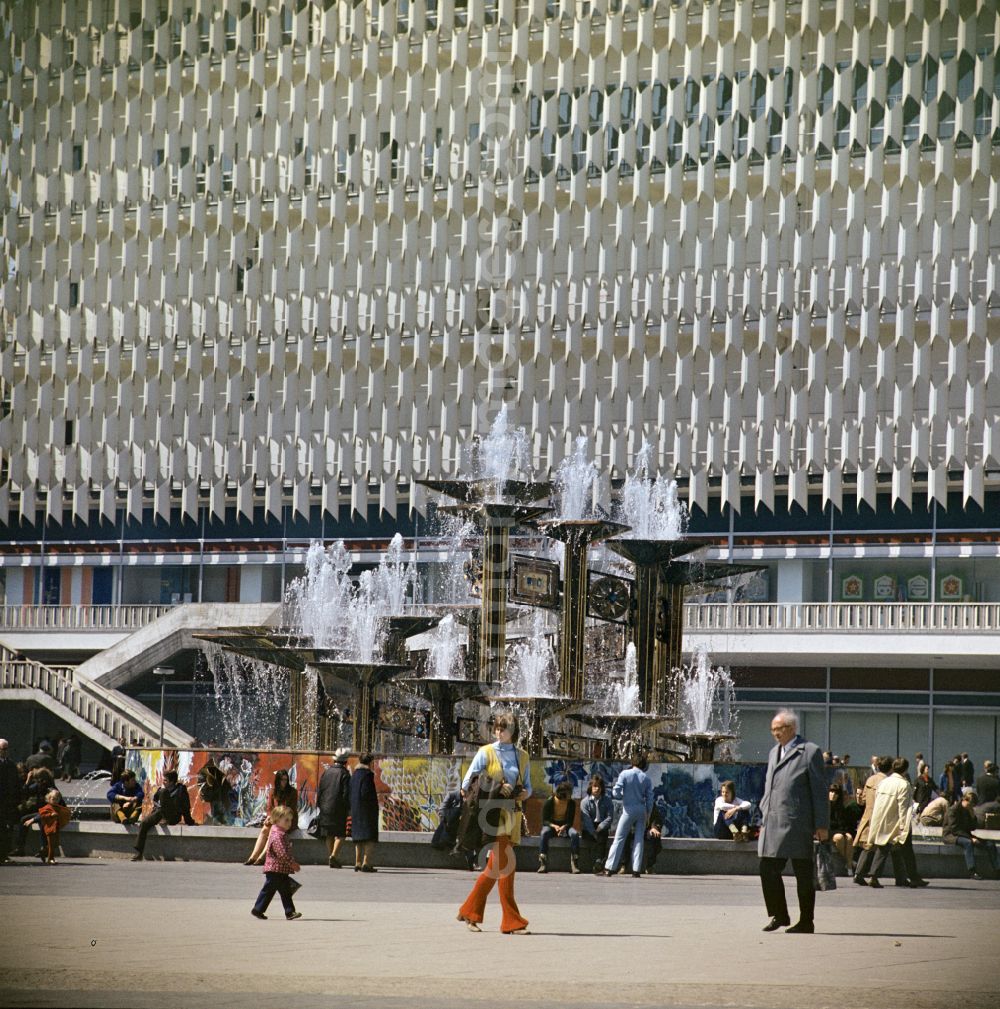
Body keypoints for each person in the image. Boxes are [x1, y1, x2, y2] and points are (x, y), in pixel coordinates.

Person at [456, 711, 532, 934]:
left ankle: (469, 911)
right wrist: (498, 786)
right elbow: (468, 782)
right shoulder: (486, 752)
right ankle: (512, 922)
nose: (499, 732)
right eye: (496, 728)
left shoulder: (522, 756)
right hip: (491, 814)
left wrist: (523, 794)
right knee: (507, 865)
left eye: (503, 728)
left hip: (511, 813)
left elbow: (528, 787)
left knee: (494, 868)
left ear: (513, 731)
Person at [758, 709, 829, 934]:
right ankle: (780, 915)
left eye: (780, 729)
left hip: (798, 824)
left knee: (803, 873)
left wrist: (822, 825)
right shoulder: (773, 752)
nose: (776, 734)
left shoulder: (809, 751)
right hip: (772, 822)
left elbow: (819, 791)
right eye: (773, 730)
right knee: (767, 868)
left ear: (792, 728)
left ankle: (806, 921)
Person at [863, 758, 928, 888]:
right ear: (905, 770)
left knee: (884, 847)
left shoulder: (884, 782)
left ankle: (879, 876)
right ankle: (912, 877)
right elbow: (903, 807)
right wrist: (904, 825)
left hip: (882, 818)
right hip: (896, 820)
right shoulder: (904, 784)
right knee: (906, 850)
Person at [603, 751, 654, 878]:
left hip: (628, 809)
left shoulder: (625, 774)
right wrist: (648, 812)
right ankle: (636, 869)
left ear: (632, 762)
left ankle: (609, 868)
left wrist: (621, 795)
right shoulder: (646, 778)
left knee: (619, 838)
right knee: (638, 840)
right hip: (641, 810)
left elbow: (616, 792)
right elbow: (650, 798)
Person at [250, 805, 302, 920]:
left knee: (284, 891)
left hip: (279, 869)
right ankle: (259, 909)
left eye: (290, 820)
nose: (289, 823)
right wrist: (292, 863)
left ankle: (288, 912)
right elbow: (282, 853)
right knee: (270, 890)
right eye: (286, 820)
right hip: (275, 869)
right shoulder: (278, 835)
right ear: (277, 820)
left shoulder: (279, 833)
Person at [131, 770, 197, 861]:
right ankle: (139, 852)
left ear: (172, 782)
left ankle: (165, 818)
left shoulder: (180, 790)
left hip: (173, 815)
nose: (163, 782)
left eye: (165, 780)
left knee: (163, 792)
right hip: (160, 813)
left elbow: (185, 807)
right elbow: (155, 803)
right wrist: (151, 817)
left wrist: (189, 821)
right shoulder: (160, 790)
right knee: (144, 823)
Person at [852, 755, 892, 880]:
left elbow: (863, 800)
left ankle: (858, 873)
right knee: (882, 846)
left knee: (867, 846)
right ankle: (873, 876)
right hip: (881, 817)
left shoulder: (870, 779)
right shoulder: (888, 782)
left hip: (868, 816)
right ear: (890, 768)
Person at [246, 769, 298, 865]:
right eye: (282, 780)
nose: (284, 782)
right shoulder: (273, 791)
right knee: (264, 829)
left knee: (272, 830)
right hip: (276, 819)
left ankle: (261, 857)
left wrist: (276, 819)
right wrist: (269, 817)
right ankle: (253, 856)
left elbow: (291, 810)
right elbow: (269, 808)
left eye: (286, 780)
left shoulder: (292, 792)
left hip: (287, 820)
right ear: (278, 780)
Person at [943, 790, 998, 881]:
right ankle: (972, 871)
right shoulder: (953, 810)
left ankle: (997, 869)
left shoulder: (968, 810)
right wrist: (970, 838)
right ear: (965, 800)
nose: (971, 807)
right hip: (951, 835)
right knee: (968, 843)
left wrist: (973, 817)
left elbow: (973, 827)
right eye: (970, 804)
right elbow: (954, 829)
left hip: (964, 834)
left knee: (990, 844)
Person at [316, 748, 351, 868]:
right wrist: (348, 808)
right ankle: (334, 856)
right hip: (338, 808)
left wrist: (319, 805)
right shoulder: (345, 774)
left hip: (325, 808)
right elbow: (346, 794)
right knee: (341, 834)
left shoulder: (327, 772)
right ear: (346, 762)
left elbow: (320, 790)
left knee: (329, 834)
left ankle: (331, 855)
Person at [538, 780, 580, 874]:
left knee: (575, 834)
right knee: (544, 833)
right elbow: (545, 821)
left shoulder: (571, 803)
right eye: (569, 793)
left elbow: (570, 821)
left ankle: (574, 862)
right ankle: (543, 862)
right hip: (552, 826)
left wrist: (564, 827)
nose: (570, 795)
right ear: (562, 793)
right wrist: (555, 826)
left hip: (565, 827)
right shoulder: (550, 801)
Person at [22, 788, 71, 864]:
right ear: (49, 799)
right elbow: (42, 815)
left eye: (57, 799)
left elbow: (63, 811)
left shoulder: (57, 807)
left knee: (55, 844)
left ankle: (43, 852)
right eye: (53, 799)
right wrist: (50, 815)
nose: (55, 801)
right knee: (51, 844)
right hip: (49, 827)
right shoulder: (47, 807)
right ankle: (50, 859)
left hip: (55, 828)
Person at [349, 753, 379, 872]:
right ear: (370, 762)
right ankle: (366, 862)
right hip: (367, 810)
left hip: (356, 809)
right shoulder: (368, 775)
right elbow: (367, 793)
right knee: (369, 837)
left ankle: (357, 862)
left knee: (358, 837)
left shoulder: (354, 774)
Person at [580, 774, 613, 872]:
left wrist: (601, 826)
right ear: (591, 787)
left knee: (602, 839)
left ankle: (598, 861)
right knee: (591, 841)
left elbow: (610, 817)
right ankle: (596, 862)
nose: (597, 789)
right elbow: (586, 819)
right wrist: (593, 831)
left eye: (599, 786)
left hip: (601, 826)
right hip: (589, 827)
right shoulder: (585, 802)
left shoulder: (607, 800)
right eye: (595, 786)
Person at [0, 738, 23, 864]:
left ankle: (4, 855)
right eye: (2, 749)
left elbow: (15, 783)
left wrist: (16, 799)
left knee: (7, 829)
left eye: (5, 749)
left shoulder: (10, 764)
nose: (4, 752)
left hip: (7, 803)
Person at [827, 781, 856, 874]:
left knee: (849, 838)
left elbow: (842, 822)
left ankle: (849, 865)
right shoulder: (825, 805)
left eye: (836, 793)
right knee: (839, 838)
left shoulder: (840, 807)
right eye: (831, 792)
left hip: (839, 830)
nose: (833, 794)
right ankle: (849, 862)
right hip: (828, 831)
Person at [197, 758, 232, 825]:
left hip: (219, 798)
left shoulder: (219, 775)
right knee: (217, 811)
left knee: (219, 811)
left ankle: (220, 821)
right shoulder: (213, 772)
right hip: (217, 797)